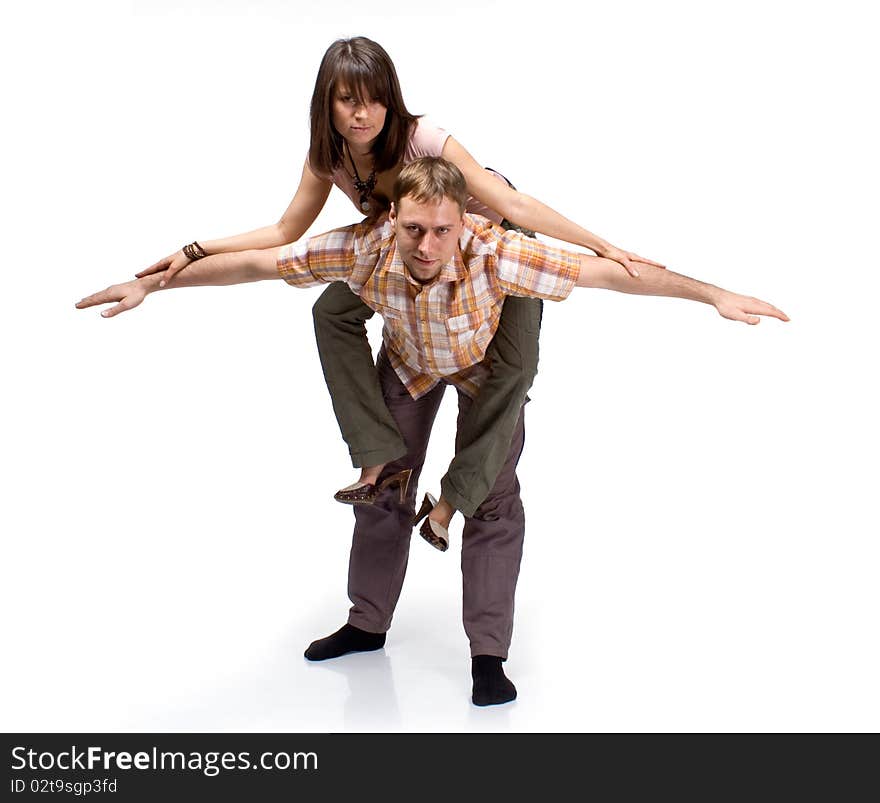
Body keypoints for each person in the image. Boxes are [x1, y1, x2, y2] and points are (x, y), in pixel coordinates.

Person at [77, 156, 789, 706]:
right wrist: (156, 282)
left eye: (441, 230)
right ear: (393, 220)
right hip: (412, 365)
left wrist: (713, 294)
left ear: (464, 222)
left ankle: (487, 653)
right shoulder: (365, 248)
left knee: (495, 499)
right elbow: (262, 264)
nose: (425, 245)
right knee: (385, 487)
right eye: (413, 229)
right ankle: (367, 622)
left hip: (484, 369)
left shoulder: (499, 249)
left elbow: (610, 275)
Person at [134, 36, 664, 546]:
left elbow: (515, 205)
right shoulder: (330, 156)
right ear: (328, 103)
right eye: (347, 101)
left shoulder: (425, 140)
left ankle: (453, 503)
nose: (361, 114)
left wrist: (604, 246)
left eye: (373, 100)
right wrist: (194, 250)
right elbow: (282, 235)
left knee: (515, 368)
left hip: (491, 244)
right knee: (331, 311)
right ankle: (375, 455)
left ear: (390, 100)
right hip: (410, 248)